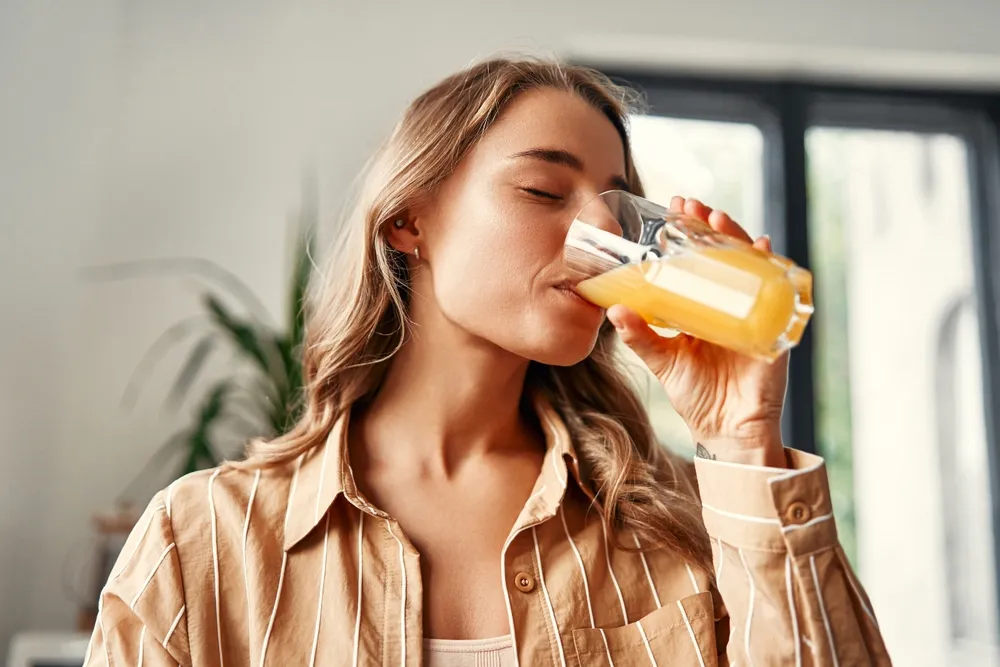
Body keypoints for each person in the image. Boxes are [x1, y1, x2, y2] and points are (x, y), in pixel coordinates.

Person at [83, 57, 891, 666]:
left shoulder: (687, 523)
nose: (592, 235)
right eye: (544, 191)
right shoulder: (202, 544)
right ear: (408, 220)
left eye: (616, 203)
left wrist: (745, 439)